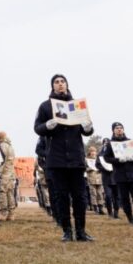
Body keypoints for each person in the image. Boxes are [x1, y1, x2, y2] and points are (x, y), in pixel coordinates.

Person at [34, 74, 94, 242]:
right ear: (52, 86)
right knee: (61, 196)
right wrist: (47, 126)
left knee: (80, 196)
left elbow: (87, 131)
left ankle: (81, 231)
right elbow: (37, 128)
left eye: (62, 82)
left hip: (76, 158)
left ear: (67, 84)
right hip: (57, 159)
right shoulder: (45, 106)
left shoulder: (77, 105)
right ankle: (67, 230)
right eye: (56, 82)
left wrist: (88, 128)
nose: (60, 84)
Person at [103, 122, 133, 225]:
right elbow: (106, 158)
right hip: (120, 175)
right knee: (125, 198)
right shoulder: (110, 144)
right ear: (113, 130)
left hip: (132, 174)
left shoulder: (131, 142)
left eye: (121, 128)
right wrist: (117, 160)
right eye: (117, 128)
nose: (119, 129)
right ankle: (130, 218)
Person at [0, 131, 17, 221]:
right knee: (10, 193)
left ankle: (3, 213)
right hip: (11, 173)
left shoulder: (2, 146)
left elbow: (2, 161)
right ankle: (11, 214)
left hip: (4, 174)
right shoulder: (10, 146)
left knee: (2, 192)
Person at [85, 147, 105, 215]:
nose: (93, 153)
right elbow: (84, 168)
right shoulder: (87, 160)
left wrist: (101, 169)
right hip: (91, 179)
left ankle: (101, 208)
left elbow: (103, 166)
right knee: (93, 194)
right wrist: (89, 169)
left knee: (100, 194)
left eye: (94, 151)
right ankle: (95, 208)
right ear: (89, 152)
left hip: (99, 178)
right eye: (92, 151)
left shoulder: (99, 159)